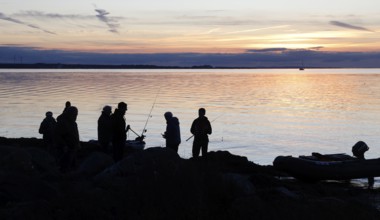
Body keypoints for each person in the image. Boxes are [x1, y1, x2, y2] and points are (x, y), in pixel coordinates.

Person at [54, 106, 80, 173]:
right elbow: (58, 135)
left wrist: (78, 143)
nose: (76, 115)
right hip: (66, 147)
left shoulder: (73, 123)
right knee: (64, 163)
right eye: (75, 113)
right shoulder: (62, 122)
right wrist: (64, 145)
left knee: (72, 162)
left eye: (76, 114)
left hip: (73, 146)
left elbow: (76, 134)